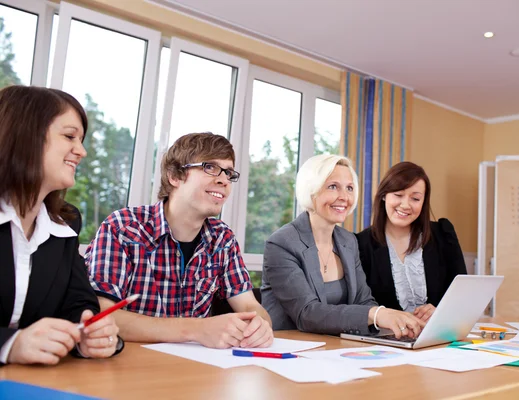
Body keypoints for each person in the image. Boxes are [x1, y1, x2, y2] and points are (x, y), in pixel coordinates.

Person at [86, 132, 273, 349]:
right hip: (130, 367)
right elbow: (101, 315)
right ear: (174, 176)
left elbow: (250, 305)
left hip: (196, 370)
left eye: (229, 173)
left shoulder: (223, 238)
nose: (224, 180)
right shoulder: (123, 228)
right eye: (209, 167)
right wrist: (196, 329)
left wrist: (260, 326)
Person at [0, 85, 120, 365]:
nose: (82, 151)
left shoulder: (65, 224)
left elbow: (79, 303)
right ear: (24, 136)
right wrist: (9, 344)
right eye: (69, 137)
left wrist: (89, 334)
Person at [261, 155, 426, 338]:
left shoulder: (348, 241)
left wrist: (396, 322)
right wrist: (377, 314)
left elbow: (364, 301)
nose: (344, 197)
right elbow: (307, 314)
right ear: (311, 190)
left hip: (336, 349)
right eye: (333, 187)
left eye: (349, 188)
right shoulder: (281, 243)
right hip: (289, 352)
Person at [356, 162, 467, 323]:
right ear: (384, 195)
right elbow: (360, 306)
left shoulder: (443, 233)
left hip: (438, 334)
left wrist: (441, 310)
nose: (405, 205)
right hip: (387, 340)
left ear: (423, 202)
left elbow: (463, 293)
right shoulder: (361, 244)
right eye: (398, 195)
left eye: (415, 198)